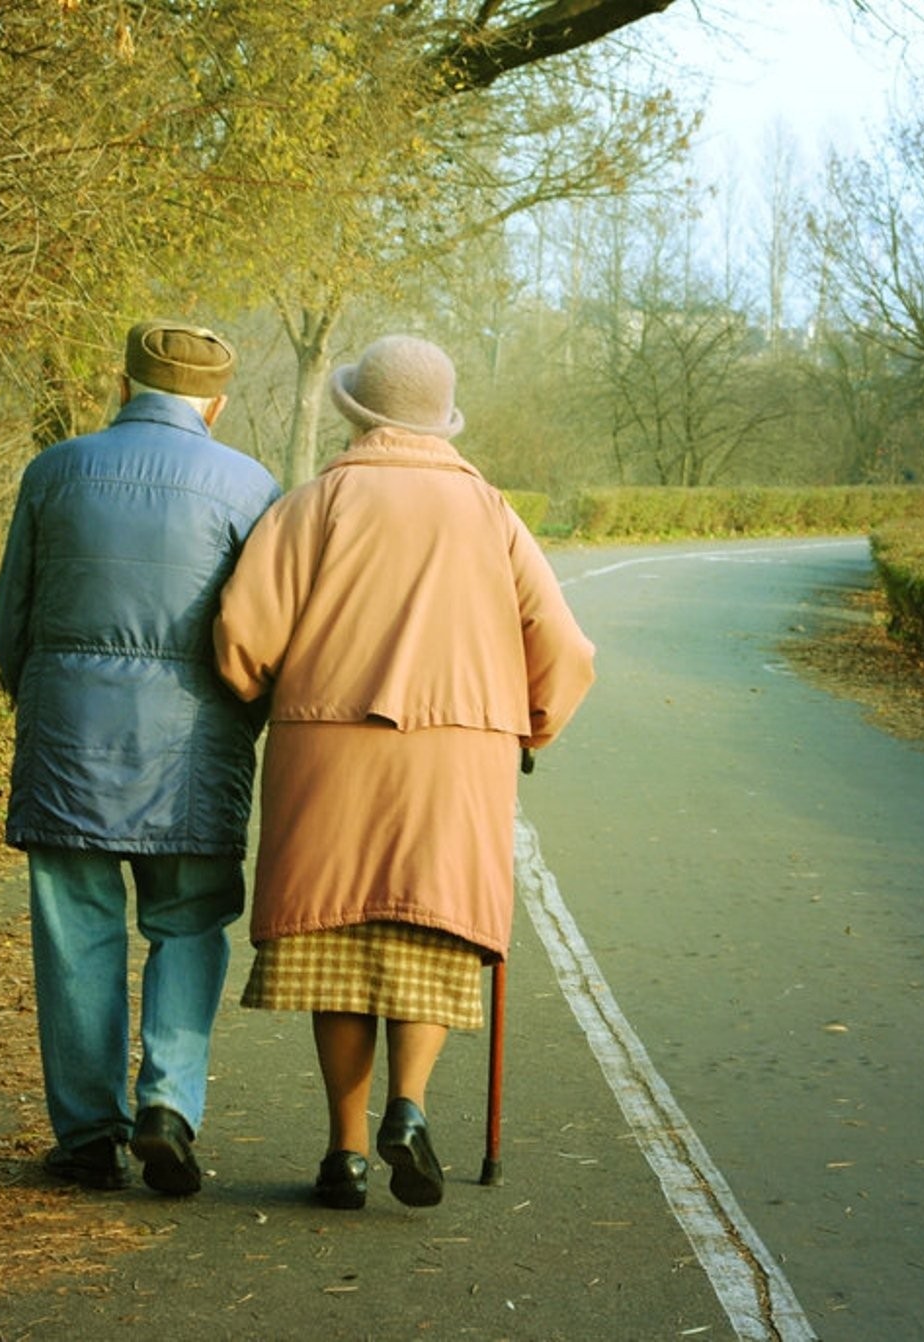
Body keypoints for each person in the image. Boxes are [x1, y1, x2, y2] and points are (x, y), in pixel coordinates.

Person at [213, 334, 595, 1210]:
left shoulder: (319, 502)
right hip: (461, 754)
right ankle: (410, 1111)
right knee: (431, 929)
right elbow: (566, 650)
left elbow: (242, 633)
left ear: (357, 410)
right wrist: (529, 726)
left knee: (338, 942)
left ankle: (344, 1153)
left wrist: (255, 689)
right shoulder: (491, 511)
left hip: (329, 748)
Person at [0, 320, 281, 1195]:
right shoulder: (251, 486)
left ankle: (87, 1135)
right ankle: (167, 1105)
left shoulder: (54, 471)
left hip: (69, 738)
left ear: (123, 388)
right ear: (217, 404)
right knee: (188, 924)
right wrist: (247, 722)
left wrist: (34, 700)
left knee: (77, 935)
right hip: (194, 749)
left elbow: (13, 616)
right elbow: (262, 632)